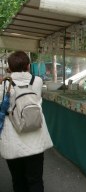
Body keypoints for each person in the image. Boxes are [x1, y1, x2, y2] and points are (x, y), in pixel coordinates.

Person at [0, 51, 53, 192]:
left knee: (18, 181)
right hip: (35, 136)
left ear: (9, 67)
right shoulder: (37, 81)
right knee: (35, 180)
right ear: (28, 65)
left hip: (13, 139)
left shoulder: (5, 85)